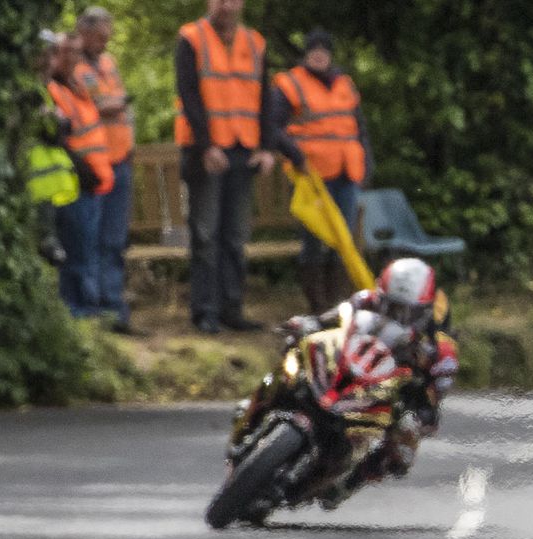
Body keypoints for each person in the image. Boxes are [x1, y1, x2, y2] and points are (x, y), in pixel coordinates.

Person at [282, 257, 458, 505]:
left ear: (425, 311)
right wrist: (309, 323)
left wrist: (419, 414)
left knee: (402, 450)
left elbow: (431, 406)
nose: (399, 316)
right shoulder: (365, 300)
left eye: (409, 313)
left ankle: (352, 481)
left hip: (386, 390)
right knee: (294, 348)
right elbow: (330, 319)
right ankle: (267, 400)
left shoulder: (441, 351)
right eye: (392, 307)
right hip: (348, 364)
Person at [174, 0, 291, 333]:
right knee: (206, 234)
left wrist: (268, 147)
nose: (227, 5)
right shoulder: (191, 38)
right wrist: (205, 145)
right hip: (206, 151)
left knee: (235, 236)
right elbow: (189, 94)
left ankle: (232, 307)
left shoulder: (255, 42)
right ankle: (205, 311)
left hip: (243, 149)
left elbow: (265, 99)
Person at [272, 29, 373, 312]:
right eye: (313, 50)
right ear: (306, 54)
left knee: (344, 239)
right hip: (312, 177)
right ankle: (317, 306)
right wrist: (296, 156)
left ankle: (339, 303)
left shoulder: (345, 84)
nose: (318, 54)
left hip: (347, 173)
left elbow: (360, 130)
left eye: (323, 50)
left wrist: (366, 166)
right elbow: (273, 127)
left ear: (330, 55)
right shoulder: (289, 84)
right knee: (314, 240)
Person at [74, 6, 135, 333]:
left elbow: (119, 106)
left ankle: (114, 308)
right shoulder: (75, 67)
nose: (104, 43)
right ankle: (94, 309)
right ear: (83, 32)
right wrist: (113, 106)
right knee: (91, 241)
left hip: (120, 159)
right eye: (98, 37)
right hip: (95, 166)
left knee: (114, 240)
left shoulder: (109, 63)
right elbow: (93, 107)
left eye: (107, 37)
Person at [48, 32, 114, 318]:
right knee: (77, 252)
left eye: (76, 52)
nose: (73, 58)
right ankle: (80, 312)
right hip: (74, 180)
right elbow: (59, 139)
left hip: (95, 181)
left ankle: (89, 308)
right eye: (66, 52)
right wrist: (83, 172)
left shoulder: (78, 86)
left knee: (88, 249)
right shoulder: (52, 89)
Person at [27, 30, 79, 267]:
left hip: (49, 190)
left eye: (51, 55)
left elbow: (59, 131)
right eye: (44, 55)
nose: (49, 61)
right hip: (31, 189)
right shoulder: (26, 91)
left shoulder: (43, 90)